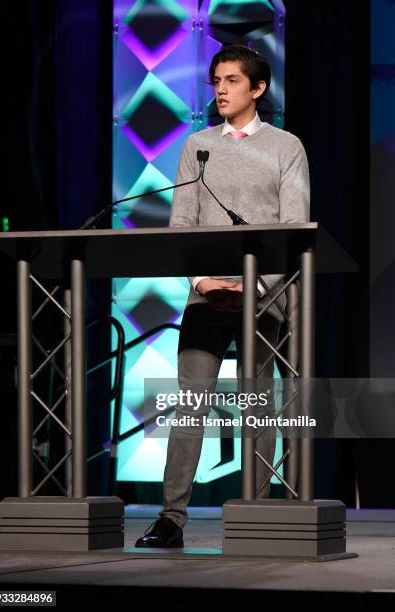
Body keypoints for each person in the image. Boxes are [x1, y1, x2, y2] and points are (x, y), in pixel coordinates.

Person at [135, 44, 310, 548]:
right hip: (207, 296)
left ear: (258, 88)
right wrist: (202, 283)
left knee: (258, 405)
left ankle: (254, 511)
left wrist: (254, 288)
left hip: (265, 298)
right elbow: (181, 224)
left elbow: (294, 227)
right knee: (189, 403)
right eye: (216, 81)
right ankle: (172, 518)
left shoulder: (286, 146)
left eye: (232, 81)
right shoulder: (197, 145)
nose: (220, 90)